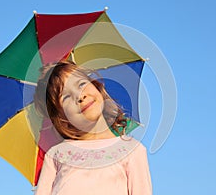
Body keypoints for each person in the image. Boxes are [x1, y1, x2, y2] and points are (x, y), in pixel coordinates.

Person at [34, 60, 152, 195]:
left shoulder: (131, 150)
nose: (80, 96)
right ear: (62, 118)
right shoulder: (56, 154)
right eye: (66, 97)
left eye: (82, 84)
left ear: (97, 87)